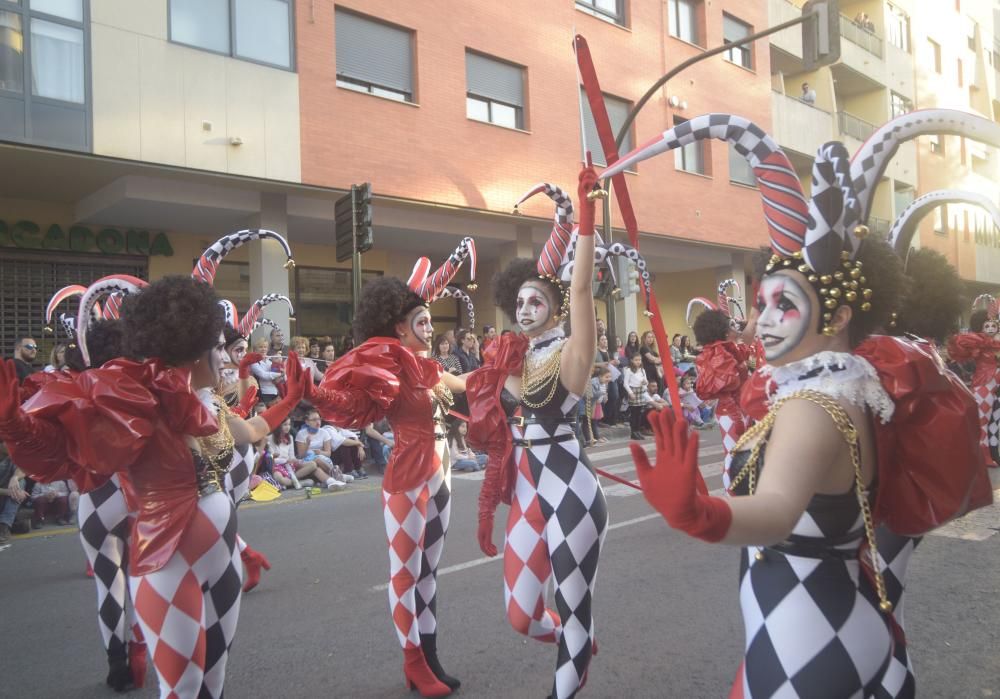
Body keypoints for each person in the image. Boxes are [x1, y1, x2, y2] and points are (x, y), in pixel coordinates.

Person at [605, 108, 993, 697]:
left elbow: (780, 511)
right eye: (762, 304)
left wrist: (699, 513)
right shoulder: (843, 386)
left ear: (836, 316)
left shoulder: (816, 403)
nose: (762, 321)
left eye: (782, 305)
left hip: (807, 632)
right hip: (813, 622)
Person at [307, 239, 475, 698]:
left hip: (441, 475)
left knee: (429, 574)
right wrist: (316, 394)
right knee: (405, 573)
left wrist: (505, 371)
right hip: (407, 478)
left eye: (429, 319)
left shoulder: (426, 367)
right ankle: (414, 662)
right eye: (421, 321)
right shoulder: (391, 369)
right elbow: (354, 409)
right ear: (399, 328)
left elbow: (465, 385)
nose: (430, 327)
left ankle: (431, 656)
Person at [467, 169, 612, 699]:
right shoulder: (517, 360)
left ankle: (573, 651)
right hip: (528, 491)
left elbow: (579, 284)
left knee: (575, 608)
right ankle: (576, 640)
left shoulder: (575, 351)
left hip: (572, 490)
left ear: (554, 304)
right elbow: (468, 386)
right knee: (521, 616)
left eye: (536, 300)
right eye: (519, 302)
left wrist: (586, 217)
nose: (525, 309)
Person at [947, 295, 1000, 467]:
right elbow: (958, 346)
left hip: (991, 385)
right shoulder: (980, 343)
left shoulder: (992, 343)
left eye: (994, 325)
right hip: (984, 384)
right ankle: (982, 455)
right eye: (988, 325)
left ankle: (990, 453)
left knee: (993, 422)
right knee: (982, 422)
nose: (991, 328)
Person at [269, 418, 333, 489]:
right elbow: (271, 458)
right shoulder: (270, 438)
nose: (288, 427)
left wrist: (295, 460)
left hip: (290, 465)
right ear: (278, 425)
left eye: (289, 424)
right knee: (279, 478)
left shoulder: (290, 437)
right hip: (277, 466)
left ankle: (291, 480)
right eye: (285, 425)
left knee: (313, 464)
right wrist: (285, 460)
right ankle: (301, 483)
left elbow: (292, 456)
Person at [294, 411, 347, 490]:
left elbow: (328, 453)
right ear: (307, 422)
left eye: (319, 419)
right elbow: (301, 455)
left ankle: (331, 481)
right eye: (314, 420)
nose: (318, 422)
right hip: (307, 462)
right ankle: (335, 476)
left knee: (316, 460)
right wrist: (307, 444)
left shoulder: (324, 432)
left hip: (323, 461)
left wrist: (320, 452)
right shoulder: (301, 434)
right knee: (314, 464)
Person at [623, 351, 650, 440]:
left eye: (639, 360)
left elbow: (646, 381)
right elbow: (625, 383)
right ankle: (633, 431)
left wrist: (645, 383)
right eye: (636, 360)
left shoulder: (642, 370)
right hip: (633, 391)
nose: (638, 362)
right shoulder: (628, 370)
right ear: (631, 361)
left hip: (640, 391)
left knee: (639, 413)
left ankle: (637, 430)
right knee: (634, 413)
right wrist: (630, 393)